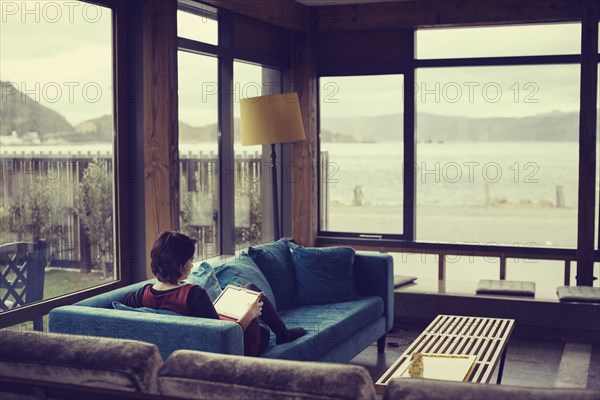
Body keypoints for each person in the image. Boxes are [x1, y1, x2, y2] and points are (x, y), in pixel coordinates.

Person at [122, 231, 306, 356]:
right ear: (179, 265)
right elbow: (220, 337)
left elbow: (124, 302)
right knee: (263, 328)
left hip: (195, 336)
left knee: (248, 288)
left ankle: (282, 332)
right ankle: (283, 333)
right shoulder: (193, 294)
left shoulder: (142, 294)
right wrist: (250, 314)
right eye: (190, 260)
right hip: (229, 349)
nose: (192, 265)